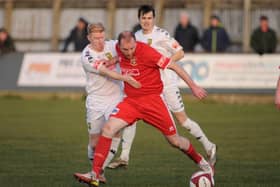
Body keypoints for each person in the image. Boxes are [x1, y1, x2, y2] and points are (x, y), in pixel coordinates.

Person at [74, 31, 214, 187]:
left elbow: (174, 66)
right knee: (108, 129)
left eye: (132, 48)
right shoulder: (120, 50)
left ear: (135, 43)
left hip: (153, 102)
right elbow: (119, 57)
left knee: (175, 141)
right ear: (119, 46)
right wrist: (113, 60)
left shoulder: (147, 52)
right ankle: (95, 174)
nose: (129, 52)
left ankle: (202, 163)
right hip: (131, 102)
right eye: (125, 50)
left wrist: (193, 86)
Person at [108, 4, 216, 170]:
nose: (146, 21)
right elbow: (123, 54)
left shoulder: (162, 34)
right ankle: (124, 156)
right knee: (131, 118)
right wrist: (111, 61)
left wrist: (161, 63)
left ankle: (208, 145)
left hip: (167, 84)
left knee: (183, 121)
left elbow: (180, 52)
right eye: (143, 18)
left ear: (154, 18)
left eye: (149, 18)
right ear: (139, 19)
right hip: (146, 88)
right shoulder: (134, 37)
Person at [76, 23, 141, 184]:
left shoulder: (113, 45)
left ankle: (98, 172)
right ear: (89, 38)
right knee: (94, 142)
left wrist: (118, 58)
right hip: (96, 100)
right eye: (96, 38)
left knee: (114, 133)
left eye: (102, 37)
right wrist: (125, 78)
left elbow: (132, 48)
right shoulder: (87, 55)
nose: (99, 41)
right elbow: (104, 71)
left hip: (116, 98)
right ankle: (96, 171)